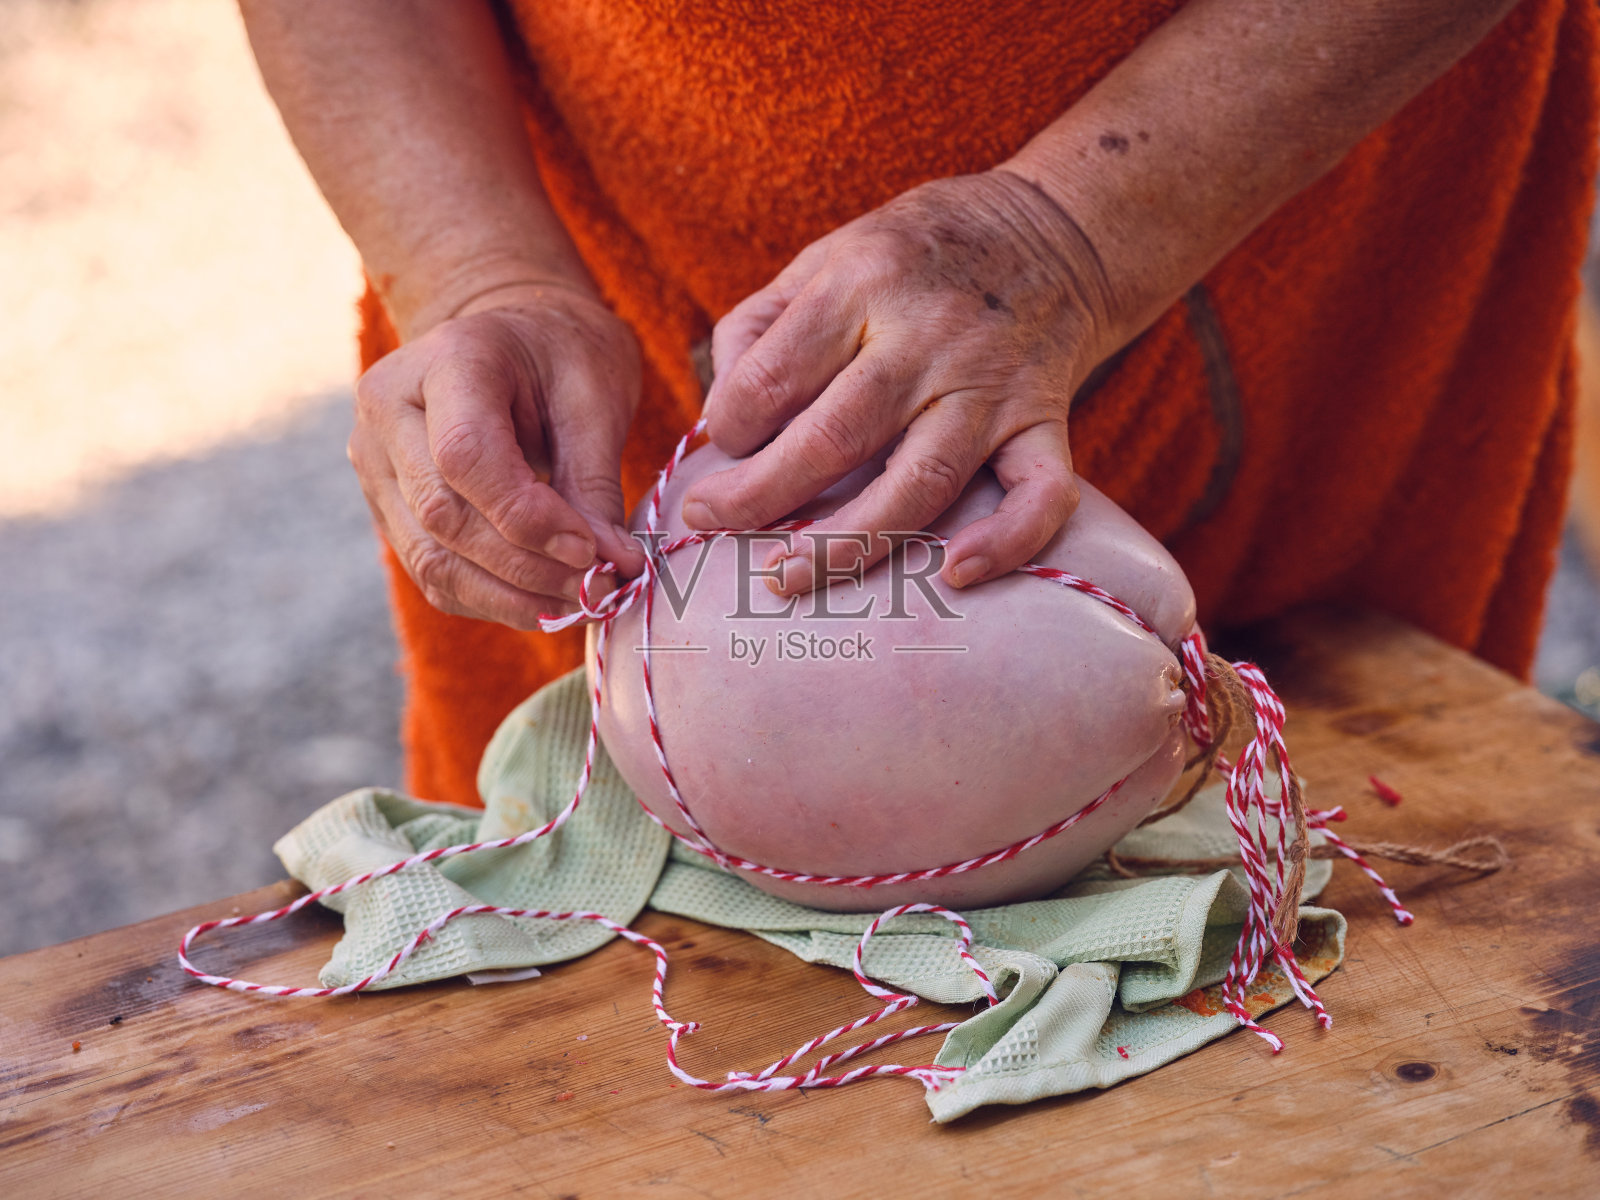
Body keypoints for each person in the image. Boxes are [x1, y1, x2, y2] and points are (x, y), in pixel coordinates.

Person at [241, 0, 1598, 810]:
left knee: (1344, 908)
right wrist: (476, 272)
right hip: (597, 228)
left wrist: (1072, 230)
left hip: (1284, 197)